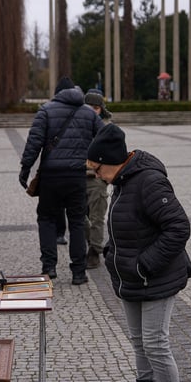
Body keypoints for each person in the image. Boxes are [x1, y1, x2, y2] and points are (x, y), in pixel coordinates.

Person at [86, 123, 191, 382]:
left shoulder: (149, 181)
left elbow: (178, 227)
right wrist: (112, 255)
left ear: (112, 160)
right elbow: (126, 226)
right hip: (131, 278)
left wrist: (145, 264)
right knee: (139, 343)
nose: (94, 174)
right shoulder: (121, 180)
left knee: (155, 344)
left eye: (96, 168)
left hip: (156, 278)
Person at [19, 75, 103, 284]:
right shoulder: (89, 113)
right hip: (76, 177)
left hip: (51, 177)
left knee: (46, 219)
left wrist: (25, 169)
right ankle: (78, 272)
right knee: (76, 222)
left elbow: (34, 142)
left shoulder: (45, 111)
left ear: (57, 93)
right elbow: (105, 138)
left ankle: (49, 268)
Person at [83, 89, 112, 269]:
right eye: (89, 107)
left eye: (96, 108)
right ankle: (93, 243)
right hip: (77, 176)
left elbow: (114, 155)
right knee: (78, 216)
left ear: (101, 109)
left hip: (97, 179)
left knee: (97, 217)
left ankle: (94, 251)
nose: (93, 111)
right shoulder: (76, 124)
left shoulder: (108, 128)